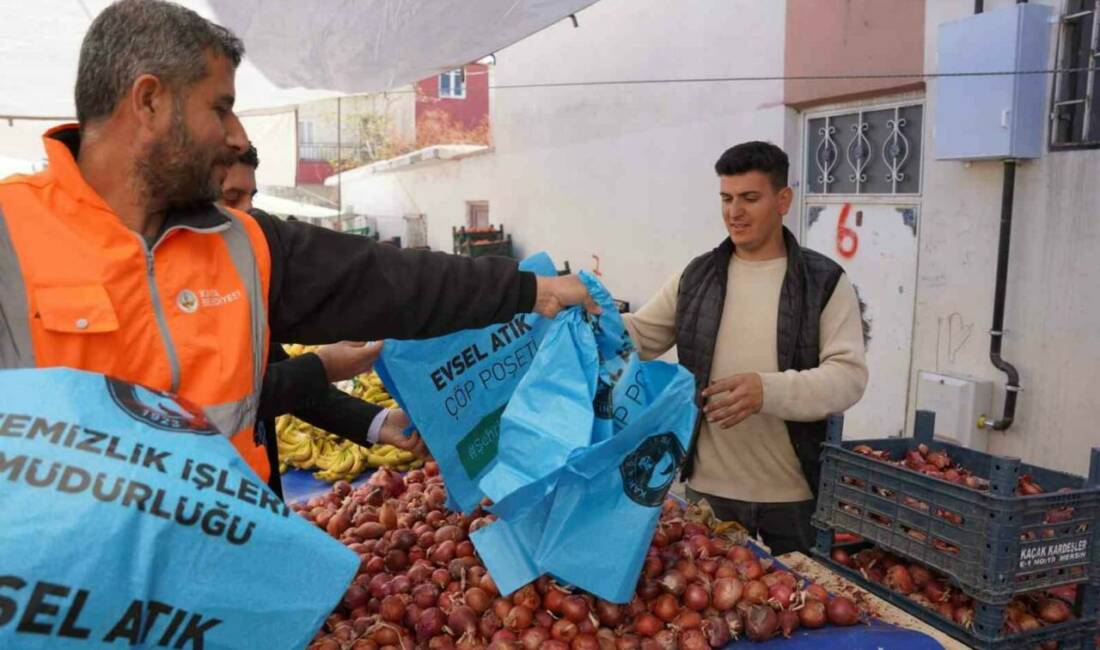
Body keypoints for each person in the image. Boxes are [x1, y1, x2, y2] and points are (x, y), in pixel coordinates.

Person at [0, 0, 594, 486]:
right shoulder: (9, 233)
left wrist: (531, 290)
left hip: (224, 588)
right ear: (149, 101)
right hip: (70, 616)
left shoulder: (242, 244)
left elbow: (392, 282)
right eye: (221, 109)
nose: (234, 135)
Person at [623, 141, 867, 555]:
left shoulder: (823, 282)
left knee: (801, 612)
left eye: (749, 198)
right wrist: (578, 315)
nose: (734, 212)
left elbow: (848, 378)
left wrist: (765, 391)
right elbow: (641, 336)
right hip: (710, 493)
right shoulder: (696, 276)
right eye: (726, 199)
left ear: (783, 200)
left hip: (796, 496)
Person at [219, 145, 423, 497]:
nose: (247, 213)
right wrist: (324, 366)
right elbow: (225, 397)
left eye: (250, 197)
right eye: (230, 197)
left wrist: (379, 422)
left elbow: (274, 374)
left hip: (255, 496)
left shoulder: (237, 272)